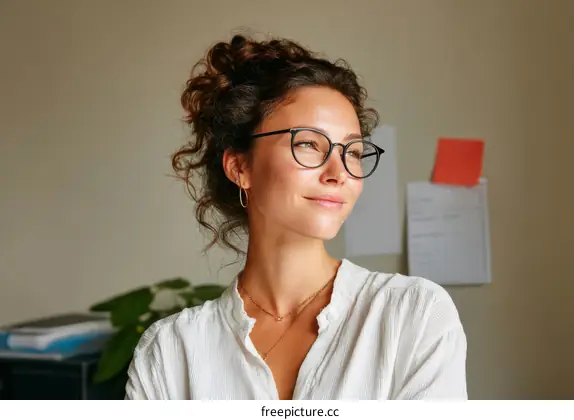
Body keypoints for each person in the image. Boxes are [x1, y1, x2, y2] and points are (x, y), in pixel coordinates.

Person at [125, 33, 467, 400]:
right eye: (307, 143)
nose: (339, 172)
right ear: (240, 167)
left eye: (352, 151)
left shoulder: (413, 315)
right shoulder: (170, 352)